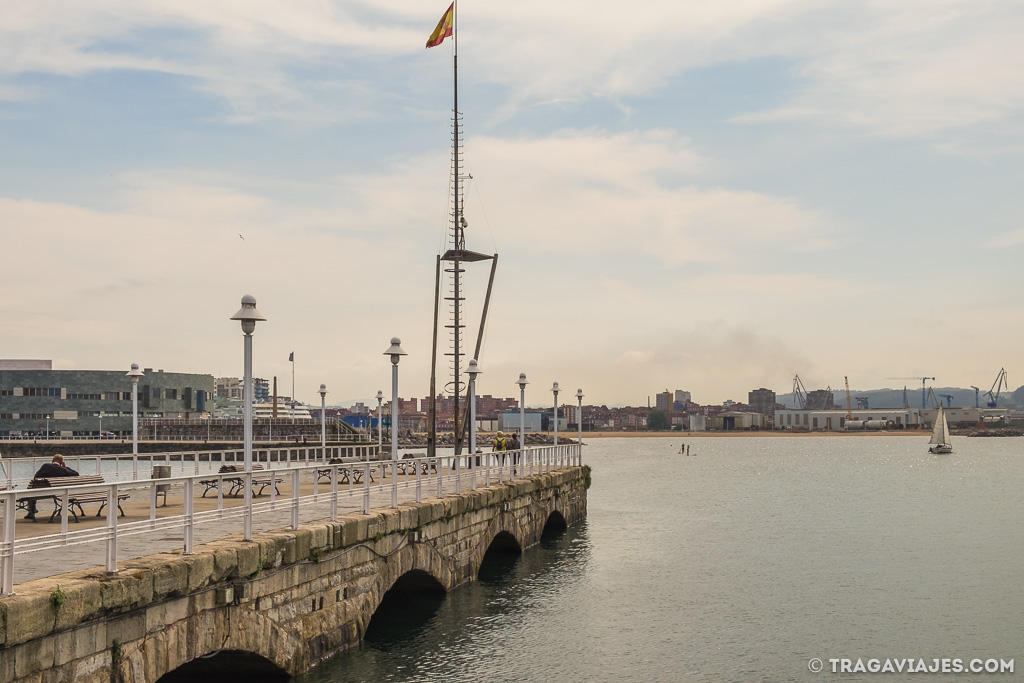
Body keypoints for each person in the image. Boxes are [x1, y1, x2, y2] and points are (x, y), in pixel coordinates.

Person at [25, 454, 78, 520]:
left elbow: (36, 476)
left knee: (32, 492)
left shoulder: (45, 466)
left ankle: (31, 512)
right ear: (61, 462)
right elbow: (76, 474)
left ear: (52, 460)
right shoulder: (62, 469)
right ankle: (33, 510)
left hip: (41, 491)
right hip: (57, 492)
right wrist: (65, 467)